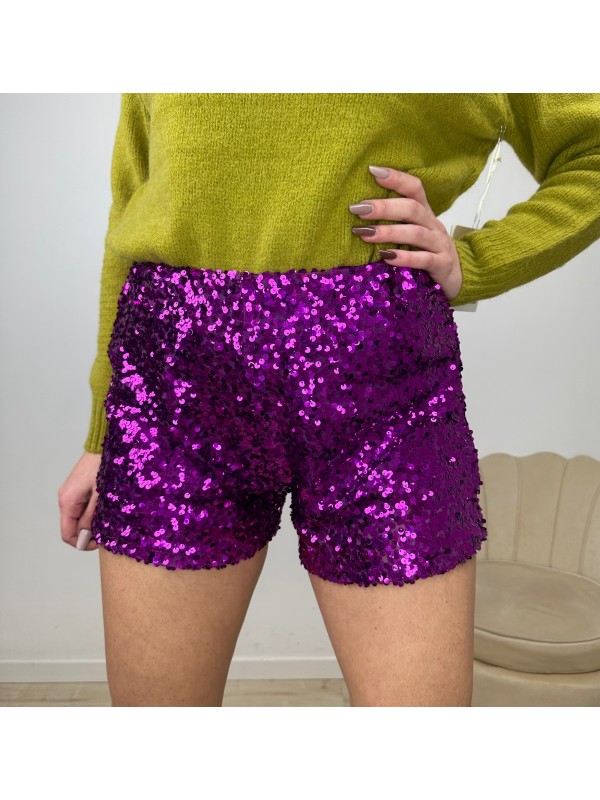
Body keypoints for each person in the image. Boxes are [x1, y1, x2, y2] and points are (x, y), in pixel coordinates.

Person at [58, 93, 600, 707]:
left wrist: (476, 262)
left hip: (383, 390)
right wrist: (103, 433)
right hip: (173, 393)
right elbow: (131, 208)